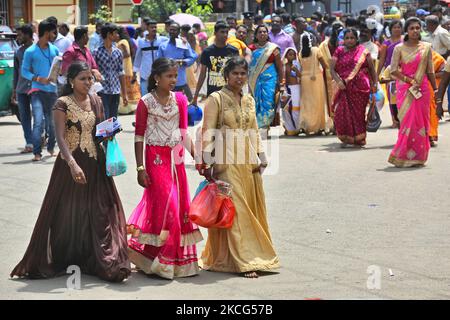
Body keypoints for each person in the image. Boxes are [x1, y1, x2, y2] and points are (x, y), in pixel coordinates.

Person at [10, 61, 131, 282]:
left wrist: (111, 132)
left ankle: (102, 259)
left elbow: (99, 132)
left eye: (90, 78)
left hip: (95, 164)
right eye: (83, 79)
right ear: (71, 81)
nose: (88, 82)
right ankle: (69, 255)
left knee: (101, 211)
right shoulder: (62, 103)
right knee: (66, 212)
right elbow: (60, 137)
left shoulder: (96, 100)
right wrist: (72, 164)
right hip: (70, 164)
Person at [198, 56, 280, 279]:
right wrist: (207, 162)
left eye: (243, 73)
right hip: (225, 160)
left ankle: (243, 255)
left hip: (247, 161)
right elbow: (208, 132)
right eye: (235, 73)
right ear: (226, 75)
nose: (239, 77)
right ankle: (244, 260)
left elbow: (254, 130)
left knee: (250, 207)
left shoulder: (249, 100)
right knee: (237, 208)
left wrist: (262, 157)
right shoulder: (216, 99)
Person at [127, 58, 203, 279]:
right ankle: (163, 261)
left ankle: (167, 260)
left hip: (176, 159)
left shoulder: (180, 99)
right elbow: (139, 136)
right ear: (156, 78)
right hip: (155, 158)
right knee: (167, 206)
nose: (173, 80)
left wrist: (197, 157)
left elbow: (183, 132)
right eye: (169, 76)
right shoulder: (146, 102)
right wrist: (140, 167)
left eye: (175, 76)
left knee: (178, 210)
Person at [388, 17, 437, 167]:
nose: (415, 31)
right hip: (405, 89)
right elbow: (393, 70)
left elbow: (430, 71)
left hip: (422, 90)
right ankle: (402, 155)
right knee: (407, 122)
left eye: (417, 28)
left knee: (421, 123)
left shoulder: (426, 47)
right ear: (407, 31)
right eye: (412, 28)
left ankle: (419, 156)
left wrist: (435, 90)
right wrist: (409, 81)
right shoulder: (399, 48)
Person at [330, 28, 378, 147]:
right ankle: (346, 137)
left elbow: (372, 69)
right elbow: (331, 69)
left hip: (360, 87)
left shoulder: (363, 51)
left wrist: (375, 84)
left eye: (352, 38)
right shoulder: (339, 51)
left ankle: (359, 138)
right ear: (343, 39)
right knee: (341, 112)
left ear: (356, 39)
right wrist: (338, 81)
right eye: (347, 38)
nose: (350, 40)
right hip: (344, 87)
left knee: (358, 114)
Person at [22, 20, 60, 161]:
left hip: (52, 91)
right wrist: (38, 78)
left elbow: (58, 68)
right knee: (38, 121)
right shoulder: (30, 51)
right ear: (46, 32)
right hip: (37, 90)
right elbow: (24, 71)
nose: (54, 35)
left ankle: (51, 148)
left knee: (52, 122)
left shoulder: (54, 50)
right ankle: (37, 152)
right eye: (53, 32)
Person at [249, 24, 285, 135]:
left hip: (270, 79)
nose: (262, 34)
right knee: (255, 102)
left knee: (268, 102)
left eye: (264, 32)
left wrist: (281, 82)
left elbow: (279, 66)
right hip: (254, 80)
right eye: (260, 32)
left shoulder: (273, 49)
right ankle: (256, 126)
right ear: (256, 35)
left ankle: (265, 126)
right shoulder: (251, 49)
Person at [192, 21, 239, 105]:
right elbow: (202, 75)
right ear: (215, 33)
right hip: (213, 93)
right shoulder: (207, 52)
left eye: (226, 32)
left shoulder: (233, 51)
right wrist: (195, 97)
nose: (225, 35)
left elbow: (237, 73)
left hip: (230, 92)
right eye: (222, 32)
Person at [298, 33, 332, 135]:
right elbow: (325, 65)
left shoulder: (300, 53)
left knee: (306, 103)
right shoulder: (316, 50)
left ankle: (305, 125)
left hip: (304, 79)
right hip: (316, 78)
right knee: (318, 102)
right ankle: (319, 126)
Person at [93, 23, 128, 119]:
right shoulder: (97, 52)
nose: (118, 35)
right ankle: (106, 135)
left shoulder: (118, 52)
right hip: (102, 91)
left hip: (115, 91)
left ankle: (112, 135)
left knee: (113, 119)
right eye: (115, 33)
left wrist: (124, 94)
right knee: (104, 118)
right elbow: (93, 71)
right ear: (109, 34)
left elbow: (121, 73)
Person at [158, 22, 198, 101]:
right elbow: (158, 61)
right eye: (171, 30)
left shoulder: (183, 43)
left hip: (180, 80)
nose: (172, 32)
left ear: (179, 32)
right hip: (166, 81)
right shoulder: (163, 45)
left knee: (181, 104)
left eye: (174, 30)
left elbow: (193, 56)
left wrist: (183, 61)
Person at [377, 19, 403, 128]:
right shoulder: (386, 43)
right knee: (392, 97)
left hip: (404, 72)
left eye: (398, 27)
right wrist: (377, 74)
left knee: (403, 97)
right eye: (394, 27)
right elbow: (382, 60)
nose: (397, 29)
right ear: (390, 29)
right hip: (391, 74)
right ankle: (395, 120)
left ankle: (404, 119)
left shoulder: (405, 41)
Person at [133, 19, 168, 97]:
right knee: (145, 97)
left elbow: (173, 41)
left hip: (158, 74)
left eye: (155, 27)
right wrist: (134, 73)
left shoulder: (162, 40)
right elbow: (138, 58)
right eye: (152, 27)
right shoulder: (141, 42)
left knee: (158, 96)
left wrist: (182, 40)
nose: (154, 29)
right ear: (147, 28)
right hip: (145, 74)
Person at [13, 24, 33, 153]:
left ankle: (40, 137)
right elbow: (16, 73)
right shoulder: (18, 52)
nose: (17, 37)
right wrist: (14, 91)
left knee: (39, 116)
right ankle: (29, 143)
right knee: (25, 117)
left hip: (37, 88)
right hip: (21, 89)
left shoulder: (38, 50)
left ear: (27, 35)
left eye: (19, 34)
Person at [318, 22, 344, 121]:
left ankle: (334, 122)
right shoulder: (345, 43)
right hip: (340, 73)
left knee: (331, 98)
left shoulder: (324, 44)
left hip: (329, 73)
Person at [117, 26, 141, 111]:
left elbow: (127, 54)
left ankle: (128, 109)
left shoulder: (122, 42)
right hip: (126, 67)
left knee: (126, 90)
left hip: (125, 68)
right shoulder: (125, 41)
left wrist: (115, 57)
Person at [282, 47, 302, 136]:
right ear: (286, 56)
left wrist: (296, 70)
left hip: (296, 88)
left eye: (294, 54)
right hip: (287, 89)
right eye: (290, 54)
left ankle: (297, 128)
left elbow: (300, 76)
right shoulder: (284, 66)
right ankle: (290, 128)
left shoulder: (297, 65)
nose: (292, 56)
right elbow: (283, 78)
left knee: (296, 109)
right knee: (286, 109)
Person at [428, 50, 446, 146]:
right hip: (415, 89)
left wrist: (430, 76)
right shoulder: (413, 56)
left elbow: (444, 72)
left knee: (432, 112)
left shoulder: (437, 58)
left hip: (432, 90)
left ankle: (430, 136)